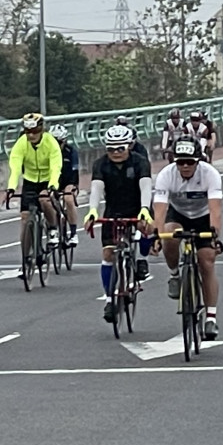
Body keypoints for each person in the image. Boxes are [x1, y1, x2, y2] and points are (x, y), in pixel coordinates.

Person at [151, 136, 223, 339]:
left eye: (189, 162)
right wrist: (157, 236)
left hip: (203, 216)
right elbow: (160, 209)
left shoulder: (210, 174)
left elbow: (215, 210)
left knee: (206, 262)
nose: (184, 166)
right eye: (180, 161)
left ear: (198, 161)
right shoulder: (166, 175)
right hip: (178, 214)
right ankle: (174, 274)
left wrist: (215, 236)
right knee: (169, 235)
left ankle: (210, 318)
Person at [85, 125, 154, 320]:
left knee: (146, 225)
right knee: (108, 253)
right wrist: (92, 211)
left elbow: (146, 188)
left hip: (137, 204)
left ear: (129, 146)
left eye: (120, 148)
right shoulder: (100, 164)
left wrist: (144, 210)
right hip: (113, 209)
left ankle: (142, 259)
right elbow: (97, 189)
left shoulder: (140, 162)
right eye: (110, 149)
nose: (115, 153)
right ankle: (109, 300)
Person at [6, 112, 62, 253]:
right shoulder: (21, 143)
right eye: (27, 131)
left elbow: (56, 167)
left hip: (47, 179)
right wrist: (11, 187)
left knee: (44, 200)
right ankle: (25, 260)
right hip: (30, 180)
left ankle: (53, 229)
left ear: (42, 129)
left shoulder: (51, 143)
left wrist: (53, 185)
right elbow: (15, 167)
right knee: (25, 219)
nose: (31, 135)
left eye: (35, 131)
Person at [51, 125, 81, 244]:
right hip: (53, 180)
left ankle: (73, 233)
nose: (56, 145)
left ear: (64, 141)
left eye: (59, 142)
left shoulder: (71, 152)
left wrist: (71, 188)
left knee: (68, 199)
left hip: (68, 180)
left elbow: (75, 171)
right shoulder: (48, 152)